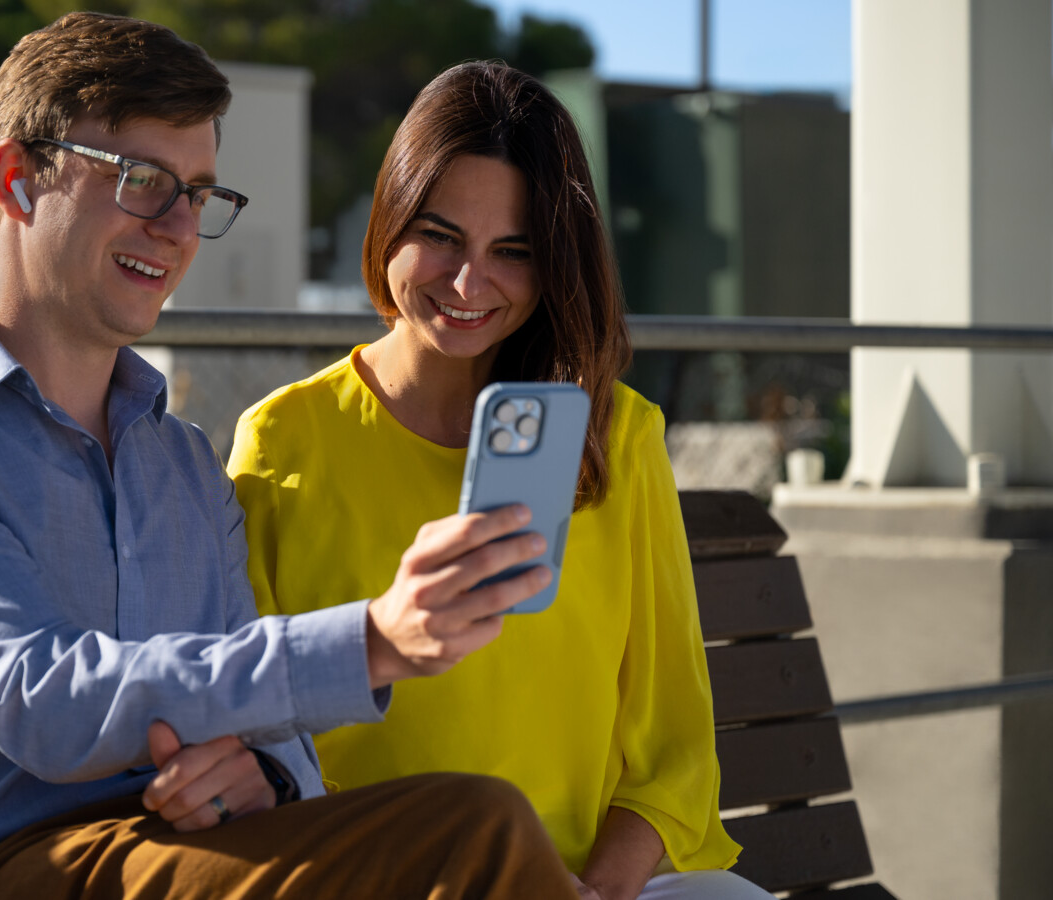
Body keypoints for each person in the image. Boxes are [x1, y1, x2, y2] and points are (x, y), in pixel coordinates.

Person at [0, 15, 578, 900]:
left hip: (166, 855)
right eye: (142, 180)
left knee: (474, 828)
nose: (177, 226)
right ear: (16, 180)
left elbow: (270, 738)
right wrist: (376, 638)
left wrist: (262, 778)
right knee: (473, 835)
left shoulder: (185, 464)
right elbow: (40, 700)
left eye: (199, 193)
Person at [228, 62, 773, 900]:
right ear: (390, 219)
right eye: (440, 235)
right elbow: (262, 737)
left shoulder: (616, 434)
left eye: (512, 251)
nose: (468, 282)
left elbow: (674, 751)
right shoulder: (282, 440)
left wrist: (593, 891)